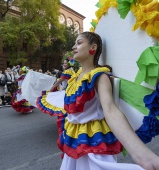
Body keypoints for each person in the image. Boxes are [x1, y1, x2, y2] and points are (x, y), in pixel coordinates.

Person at [37, 32, 159, 170]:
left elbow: (111, 110)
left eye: (79, 42)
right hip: (72, 142)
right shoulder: (74, 77)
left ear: (93, 47)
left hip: (94, 144)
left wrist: (143, 157)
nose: (73, 46)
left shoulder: (99, 76)